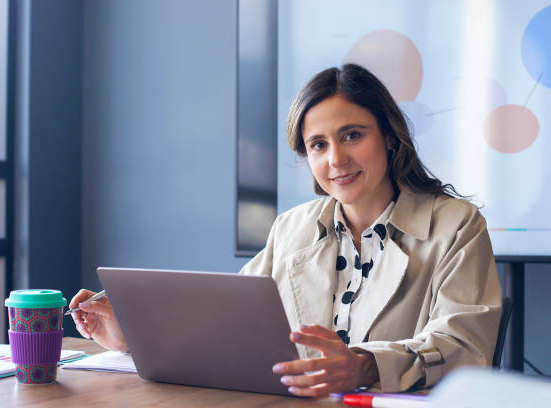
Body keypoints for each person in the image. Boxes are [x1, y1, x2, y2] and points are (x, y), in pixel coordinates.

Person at [70, 63, 501, 397]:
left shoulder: (457, 225)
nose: (335, 159)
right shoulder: (291, 228)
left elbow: (463, 349)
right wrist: (130, 334)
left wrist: (364, 366)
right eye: (318, 145)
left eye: (352, 135)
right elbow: (225, 329)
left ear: (389, 137)